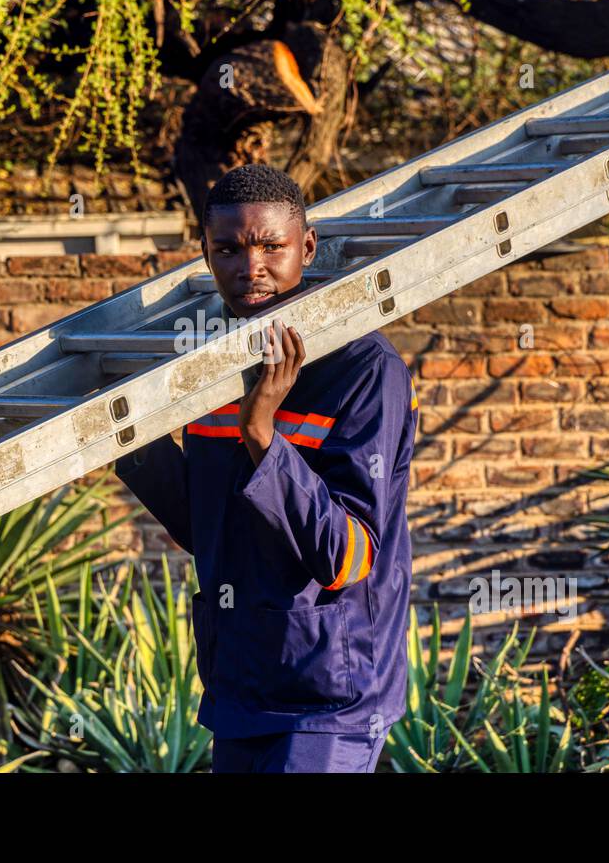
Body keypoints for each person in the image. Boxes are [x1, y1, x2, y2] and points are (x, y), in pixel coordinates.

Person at [115, 164, 418, 773]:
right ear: (205, 254)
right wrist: (125, 438)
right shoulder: (214, 363)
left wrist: (262, 434)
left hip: (330, 692)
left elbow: (349, 556)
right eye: (226, 249)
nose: (249, 267)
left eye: (270, 246)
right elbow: (206, 529)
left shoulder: (364, 368)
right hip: (241, 681)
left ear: (306, 247)